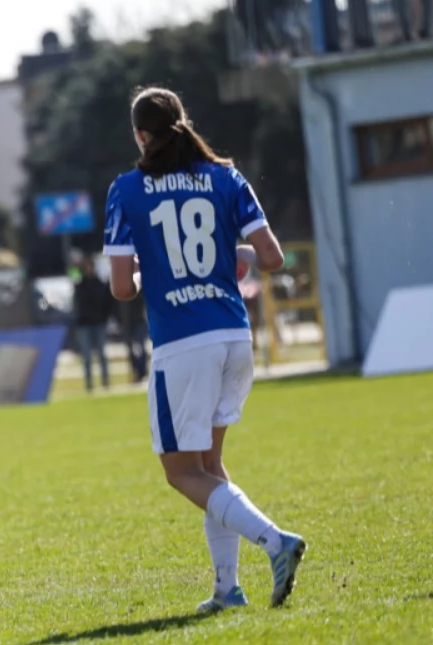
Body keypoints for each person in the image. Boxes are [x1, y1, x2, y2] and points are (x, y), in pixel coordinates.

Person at [103, 86, 306, 612]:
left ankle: (275, 542)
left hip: (183, 345)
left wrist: (155, 270)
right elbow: (272, 257)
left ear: (140, 135)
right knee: (211, 463)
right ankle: (226, 589)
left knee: (180, 471)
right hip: (235, 338)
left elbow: (123, 288)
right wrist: (229, 251)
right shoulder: (226, 176)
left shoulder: (126, 190)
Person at [71, 256, 114, 392]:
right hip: (84, 323)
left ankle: (105, 380)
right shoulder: (79, 286)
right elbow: (77, 304)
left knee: (101, 353)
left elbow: (107, 303)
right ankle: (89, 383)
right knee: (87, 355)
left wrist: (104, 317)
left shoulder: (99, 285)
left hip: (99, 322)